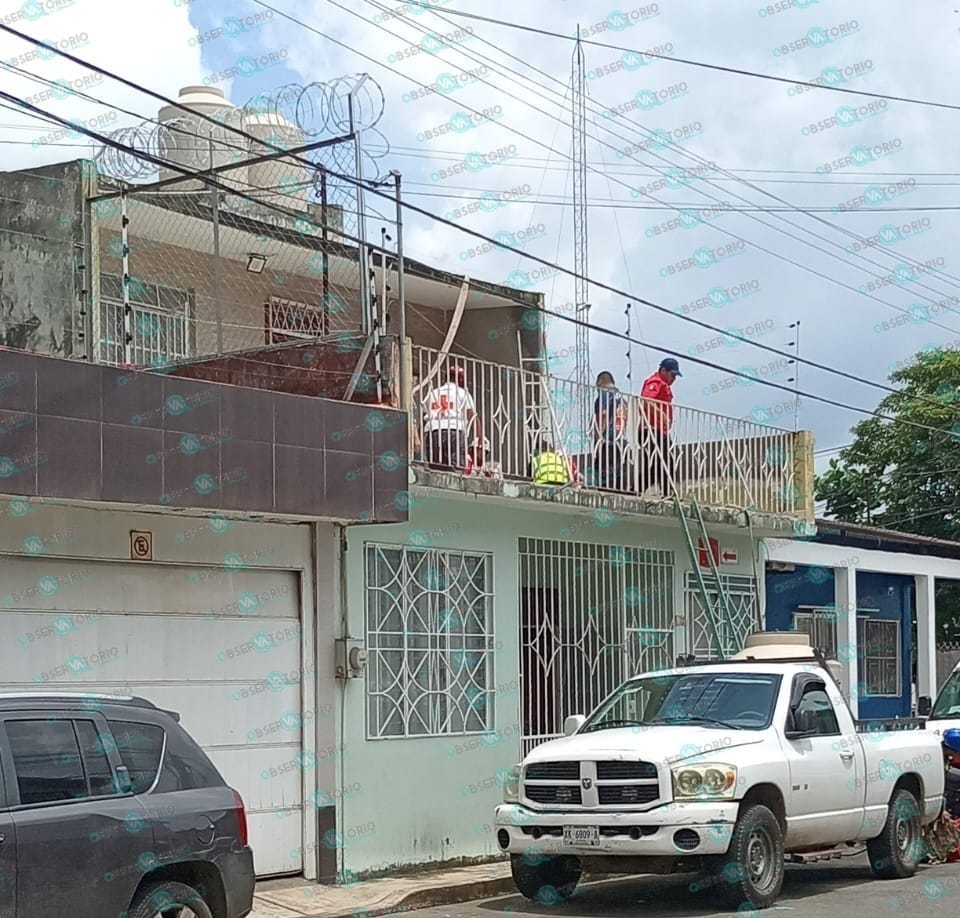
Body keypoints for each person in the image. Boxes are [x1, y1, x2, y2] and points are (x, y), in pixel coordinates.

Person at [639, 357, 681, 496]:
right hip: (651, 430)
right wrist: (661, 415)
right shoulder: (655, 382)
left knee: (654, 465)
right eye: (672, 374)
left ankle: (637, 490)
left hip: (659, 431)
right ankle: (667, 492)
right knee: (665, 460)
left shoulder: (663, 384)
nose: (674, 378)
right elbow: (645, 401)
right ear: (663, 370)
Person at [422, 365, 476, 472]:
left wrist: (418, 437)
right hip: (454, 430)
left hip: (434, 431)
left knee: (435, 468)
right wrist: (480, 434)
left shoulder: (433, 393)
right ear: (461, 379)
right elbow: (472, 416)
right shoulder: (462, 393)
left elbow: (424, 416)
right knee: (456, 468)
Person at [592, 370, 629, 491]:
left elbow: (603, 413)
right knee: (618, 474)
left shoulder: (604, 395)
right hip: (620, 440)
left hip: (607, 440)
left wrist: (599, 436)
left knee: (604, 475)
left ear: (600, 382)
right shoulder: (621, 397)